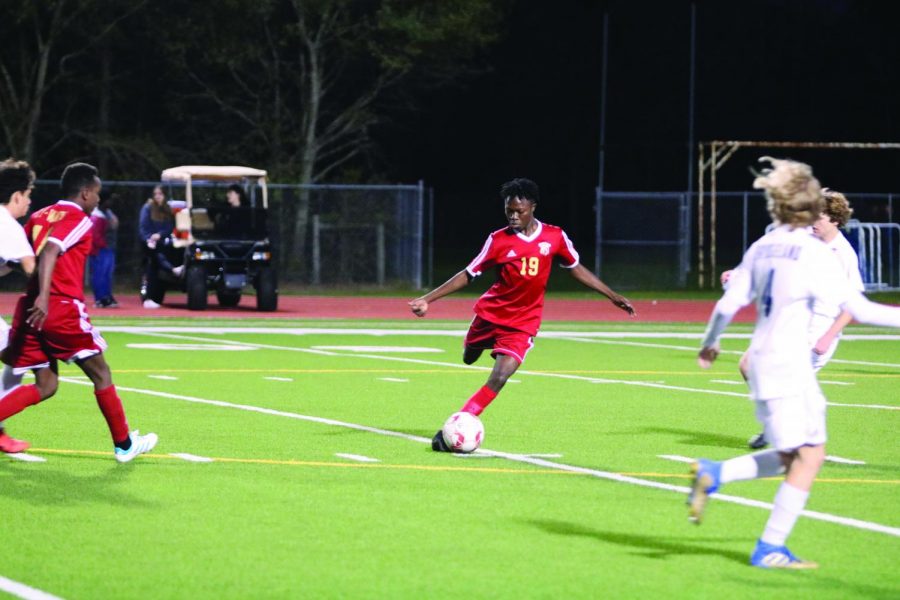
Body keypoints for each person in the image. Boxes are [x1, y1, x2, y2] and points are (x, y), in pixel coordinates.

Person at [690, 157, 900, 569]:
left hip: (767, 359)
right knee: (807, 456)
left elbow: (729, 302)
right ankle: (768, 546)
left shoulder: (763, 246)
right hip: (790, 363)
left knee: (802, 454)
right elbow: (859, 307)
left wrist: (709, 344)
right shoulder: (812, 252)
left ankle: (717, 475)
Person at [408, 178, 635, 451]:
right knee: (469, 357)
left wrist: (612, 296)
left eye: (519, 211)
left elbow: (575, 267)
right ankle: (474, 341)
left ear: (533, 208)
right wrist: (428, 299)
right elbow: (469, 274)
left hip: (523, 323)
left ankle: (460, 421)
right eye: (509, 211)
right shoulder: (498, 240)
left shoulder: (554, 237)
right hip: (491, 314)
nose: (514, 216)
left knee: (500, 377)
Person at [0, 162, 157, 462]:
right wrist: (45, 298)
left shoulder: (38, 215)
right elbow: (48, 253)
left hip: (29, 310)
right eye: (97, 194)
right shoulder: (80, 219)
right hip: (57, 309)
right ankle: (124, 445)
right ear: (85, 193)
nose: (99, 200)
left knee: (46, 385)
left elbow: (22, 259)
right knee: (102, 373)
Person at [728, 188, 864, 449]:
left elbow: (853, 305)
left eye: (819, 215)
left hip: (818, 331)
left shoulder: (843, 255)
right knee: (747, 365)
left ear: (835, 220)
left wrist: (827, 336)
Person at [0, 158, 37, 453]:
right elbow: (32, 269)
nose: (29, 202)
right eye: (27, 195)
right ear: (15, 197)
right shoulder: (9, 225)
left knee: (15, 354)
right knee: (19, 356)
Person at [139, 185, 182, 308]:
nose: (158, 196)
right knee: (152, 263)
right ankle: (172, 270)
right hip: (149, 242)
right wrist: (149, 238)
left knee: (157, 263)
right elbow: (143, 227)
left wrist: (160, 235)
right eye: (155, 194)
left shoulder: (166, 209)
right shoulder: (147, 208)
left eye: (160, 194)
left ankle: (152, 297)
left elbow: (169, 227)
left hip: (161, 242)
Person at [89, 192, 120, 308]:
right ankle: (100, 298)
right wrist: (104, 245)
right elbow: (95, 236)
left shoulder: (106, 213)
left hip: (108, 247)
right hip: (100, 249)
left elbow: (115, 224)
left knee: (107, 274)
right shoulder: (97, 216)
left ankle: (107, 295)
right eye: (108, 200)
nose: (110, 203)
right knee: (99, 274)